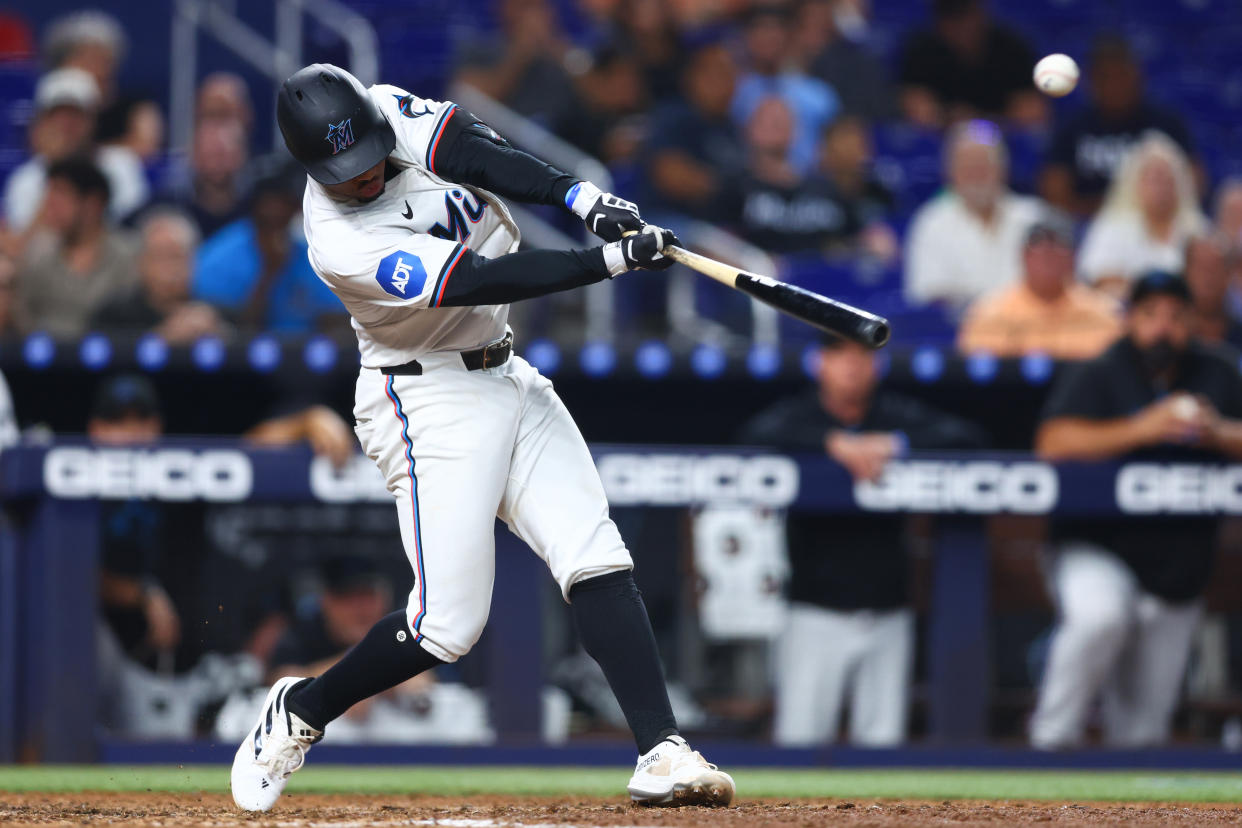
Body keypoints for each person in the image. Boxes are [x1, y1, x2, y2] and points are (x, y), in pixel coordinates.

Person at [229, 64, 733, 811]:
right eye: (347, 172)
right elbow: (475, 281)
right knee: (446, 628)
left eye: (370, 157)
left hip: (504, 370)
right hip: (425, 395)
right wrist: (609, 260)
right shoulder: (338, 240)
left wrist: (583, 199)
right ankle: (301, 711)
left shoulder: (387, 110)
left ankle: (661, 749)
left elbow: (475, 152)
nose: (365, 177)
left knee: (593, 551)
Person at [1031, 272, 1242, 748]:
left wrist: (1219, 432)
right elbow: (1052, 442)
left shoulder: (1218, 371)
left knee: (1144, 732)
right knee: (1100, 616)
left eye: (1175, 315)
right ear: (1130, 319)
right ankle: (1050, 741)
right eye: (1150, 314)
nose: (1162, 328)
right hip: (1097, 547)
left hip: (1179, 564)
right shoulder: (1102, 369)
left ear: (1193, 320)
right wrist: (1142, 428)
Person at [741, 336, 985, 746]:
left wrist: (895, 443)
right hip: (813, 608)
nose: (852, 366)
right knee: (800, 738)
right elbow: (753, 435)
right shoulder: (800, 414)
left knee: (882, 745)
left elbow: (968, 437)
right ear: (819, 363)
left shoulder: (894, 414)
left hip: (889, 607)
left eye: (862, 355)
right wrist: (831, 442)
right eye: (839, 355)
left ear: (878, 364)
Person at [1039, 36, 1198, 218]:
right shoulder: (1072, 128)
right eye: (1106, 77)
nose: (1115, 86)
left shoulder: (1165, 125)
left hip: (1153, 221)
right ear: (1092, 82)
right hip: (1086, 226)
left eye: (1121, 75)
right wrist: (1109, 212)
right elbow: (1053, 190)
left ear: (1137, 77)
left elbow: (1193, 180)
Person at [904, 120, 1043, 309]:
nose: (977, 174)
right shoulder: (931, 223)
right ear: (950, 172)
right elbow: (928, 296)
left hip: (1030, 329)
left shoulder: (1034, 217)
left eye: (984, 164)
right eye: (968, 166)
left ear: (1003, 168)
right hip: (959, 334)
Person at [193, 174, 342, 334]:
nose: (275, 213)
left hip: (303, 351)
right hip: (238, 355)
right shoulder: (219, 256)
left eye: (284, 210)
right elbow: (235, 329)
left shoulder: (308, 254)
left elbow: (335, 318)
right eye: (267, 217)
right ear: (253, 210)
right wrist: (270, 270)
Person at [3, 67, 148, 231]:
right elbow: (25, 247)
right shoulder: (25, 179)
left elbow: (125, 230)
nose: (68, 125)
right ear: (44, 122)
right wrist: (55, 167)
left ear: (93, 120)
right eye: (59, 115)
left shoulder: (122, 164)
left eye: (76, 115)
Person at [957, 219, 1121, 359]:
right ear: (1023, 256)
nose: (1047, 256)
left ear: (1072, 257)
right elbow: (977, 363)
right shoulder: (990, 312)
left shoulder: (1103, 313)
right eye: (1038, 248)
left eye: (1058, 247)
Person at [14, 158, 138, 338]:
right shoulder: (35, 258)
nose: (49, 205)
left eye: (61, 195)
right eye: (49, 195)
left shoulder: (132, 257)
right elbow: (22, 320)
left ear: (93, 204)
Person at [1077, 132, 1206, 295]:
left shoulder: (1197, 228)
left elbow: (1207, 281)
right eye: (1154, 179)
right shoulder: (1112, 225)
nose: (1161, 188)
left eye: (1167, 179)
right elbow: (1100, 279)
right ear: (1135, 183)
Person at [897, 0, 1044, 129]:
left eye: (965, 16)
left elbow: (1032, 112)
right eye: (951, 18)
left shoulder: (1011, 48)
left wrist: (979, 121)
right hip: (941, 140)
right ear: (939, 22)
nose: (961, 27)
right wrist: (949, 119)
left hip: (1003, 138)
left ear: (981, 14)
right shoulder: (922, 50)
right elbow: (917, 109)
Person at [731, 5, 840, 175]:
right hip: (750, 186)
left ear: (789, 37)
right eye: (761, 30)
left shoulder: (818, 94)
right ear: (748, 38)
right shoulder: (733, 92)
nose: (769, 37)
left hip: (809, 187)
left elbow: (835, 147)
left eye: (775, 31)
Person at [644, 40, 746, 223]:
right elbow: (672, 176)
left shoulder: (732, 127)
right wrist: (726, 186)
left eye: (731, 75)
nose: (727, 83)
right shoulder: (674, 117)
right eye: (719, 75)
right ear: (693, 78)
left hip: (721, 228)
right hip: (670, 222)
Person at [92, 208, 225, 343]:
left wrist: (219, 333)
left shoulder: (214, 313)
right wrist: (163, 337)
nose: (171, 269)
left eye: (177, 257)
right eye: (160, 257)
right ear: (141, 263)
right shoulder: (114, 316)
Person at [794, 0, 897, 123]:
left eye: (823, 27)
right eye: (808, 25)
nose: (815, 34)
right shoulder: (780, 69)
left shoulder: (856, 67)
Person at [1182, 235, 1242, 351]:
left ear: (1229, 275)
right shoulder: (1172, 334)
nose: (1208, 277)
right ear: (1185, 273)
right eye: (1200, 268)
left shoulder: (1239, 330)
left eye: (1215, 268)